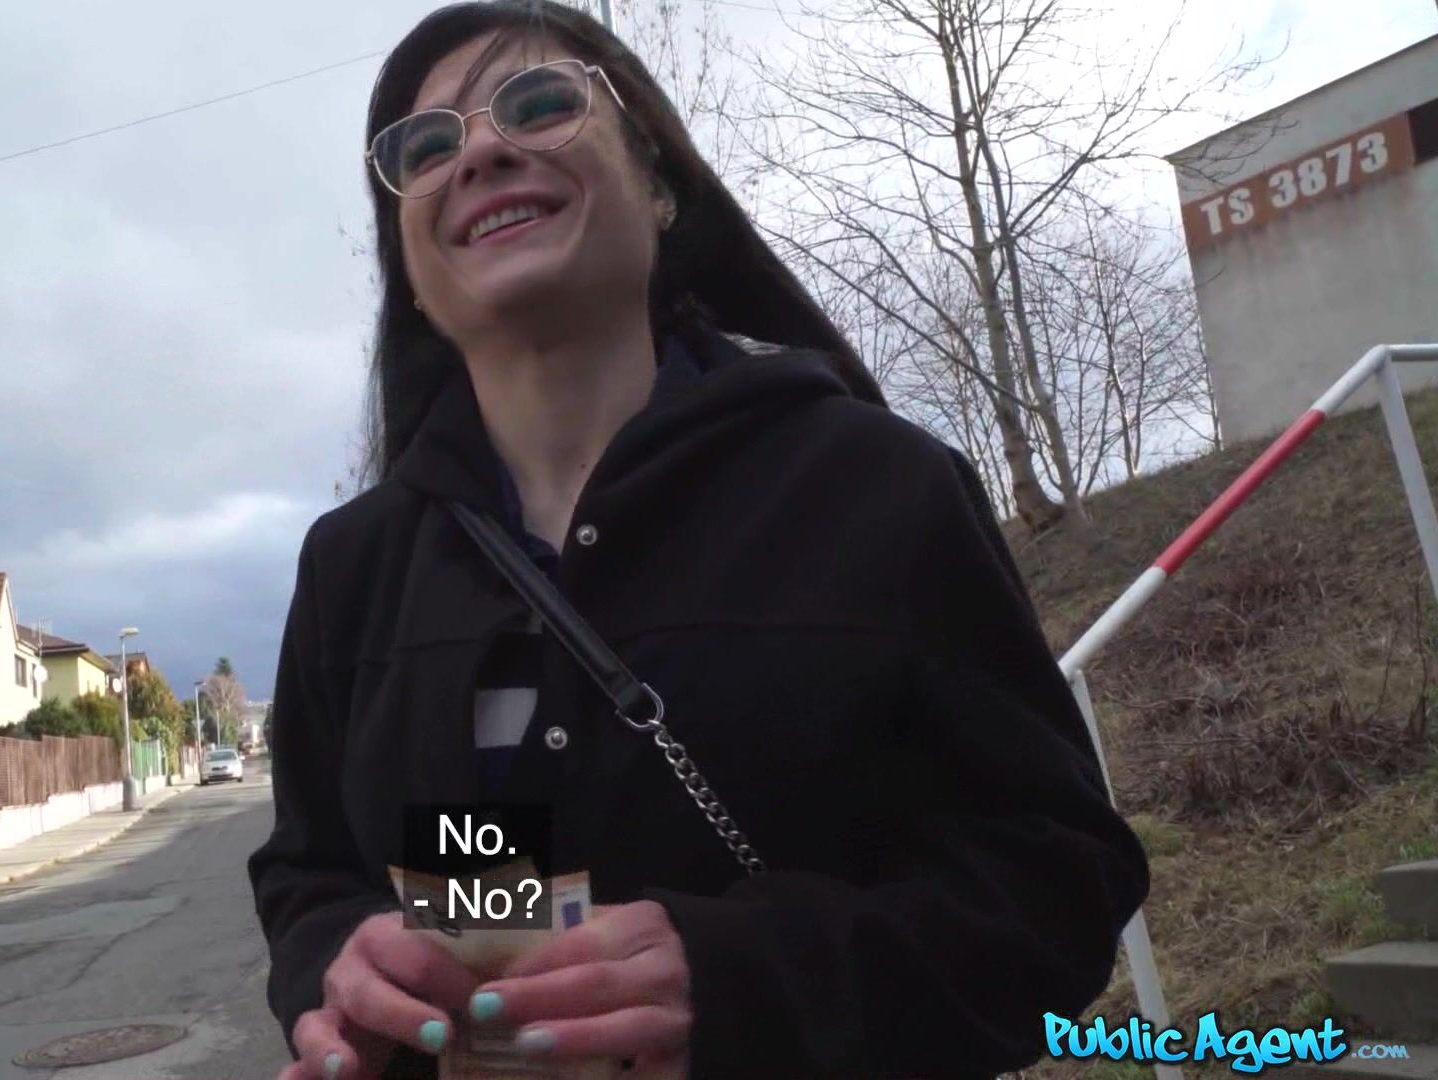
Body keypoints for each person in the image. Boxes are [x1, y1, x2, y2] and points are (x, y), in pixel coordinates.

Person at [248, 2, 1151, 1077]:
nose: (479, 152)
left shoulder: (879, 489)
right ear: (409, 258)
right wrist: (338, 964)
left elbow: (1056, 884)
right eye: (425, 149)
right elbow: (310, 873)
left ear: (661, 184)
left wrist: (742, 979)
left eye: (538, 103)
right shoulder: (351, 568)